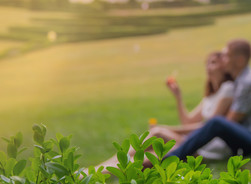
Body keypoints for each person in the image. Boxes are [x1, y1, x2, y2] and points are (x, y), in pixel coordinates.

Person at [93, 51, 234, 172]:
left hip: (206, 147)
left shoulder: (227, 89)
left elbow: (208, 127)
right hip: (195, 141)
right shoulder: (210, 96)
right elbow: (188, 121)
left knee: (157, 133)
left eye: (214, 63)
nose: (209, 67)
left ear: (224, 67)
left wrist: (166, 128)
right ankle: (97, 170)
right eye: (207, 63)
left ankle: (98, 170)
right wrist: (178, 96)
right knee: (149, 153)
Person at [166, 39, 251, 160]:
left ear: (240, 60)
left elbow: (230, 122)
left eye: (227, 56)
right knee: (215, 123)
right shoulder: (240, 81)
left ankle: (172, 157)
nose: (223, 59)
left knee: (216, 122)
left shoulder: (249, 82)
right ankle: (176, 153)